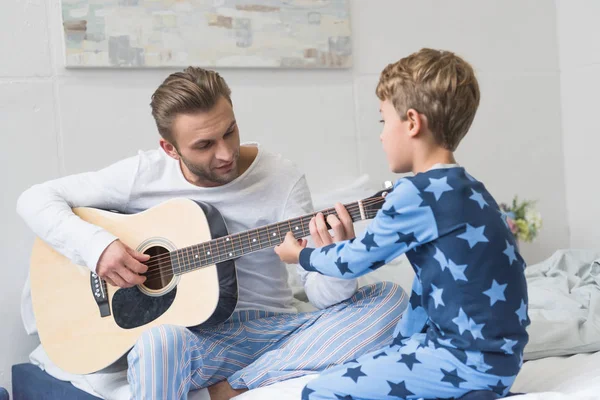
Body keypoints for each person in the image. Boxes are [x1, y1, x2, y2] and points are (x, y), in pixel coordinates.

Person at [16, 67, 407, 400]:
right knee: (157, 343)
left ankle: (234, 389)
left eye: (230, 131)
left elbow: (321, 295)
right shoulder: (143, 175)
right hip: (201, 342)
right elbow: (36, 199)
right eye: (204, 145)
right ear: (170, 149)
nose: (225, 153)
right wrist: (98, 248)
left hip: (275, 330)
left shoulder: (282, 178)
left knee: (390, 300)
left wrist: (335, 261)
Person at [275, 48, 530, 399]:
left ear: (411, 122)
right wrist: (400, 346)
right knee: (368, 364)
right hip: (500, 364)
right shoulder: (471, 188)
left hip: (464, 362)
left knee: (318, 392)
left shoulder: (417, 193)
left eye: (383, 121)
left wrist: (301, 257)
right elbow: (430, 286)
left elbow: (354, 261)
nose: (381, 136)